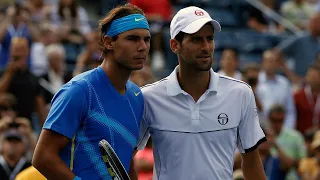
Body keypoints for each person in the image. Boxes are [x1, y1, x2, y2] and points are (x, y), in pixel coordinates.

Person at [137, 6, 267, 180]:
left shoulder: (241, 93)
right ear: (175, 45)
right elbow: (126, 158)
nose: (206, 47)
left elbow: (252, 163)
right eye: (196, 40)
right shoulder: (148, 97)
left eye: (210, 39)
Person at [32, 3, 150, 180]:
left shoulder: (137, 96)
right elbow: (42, 158)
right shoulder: (79, 91)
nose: (142, 47)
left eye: (146, 39)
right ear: (108, 42)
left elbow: (127, 162)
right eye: (133, 39)